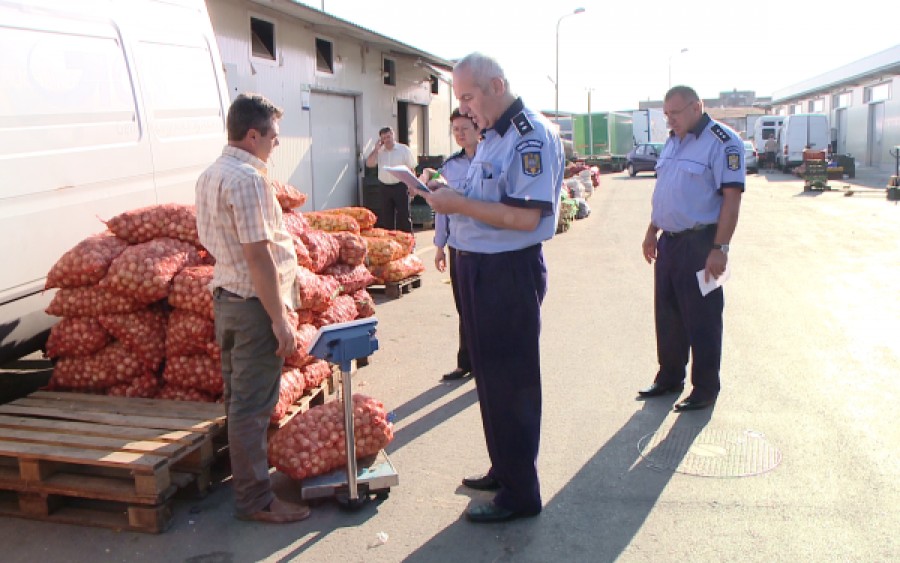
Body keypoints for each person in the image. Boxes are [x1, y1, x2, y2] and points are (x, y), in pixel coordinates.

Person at [418, 52, 564, 523]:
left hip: (508, 271)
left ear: (496, 86)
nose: (463, 108)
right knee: (490, 377)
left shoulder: (529, 137)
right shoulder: (494, 137)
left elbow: (524, 217)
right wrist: (448, 199)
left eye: (468, 97)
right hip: (477, 267)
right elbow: (485, 200)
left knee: (513, 381)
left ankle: (522, 493)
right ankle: (505, 468)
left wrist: (457, 203)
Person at [195, 93, 310, 523]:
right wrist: (280, 318)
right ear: (253, 135)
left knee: (238, 400)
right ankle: (256, 501)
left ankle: (246, 483)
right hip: (252, 305)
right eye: (274, 137)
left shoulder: (211, 174)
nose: (276, 145)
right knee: (251, 406)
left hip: (227, 298)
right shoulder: (248, 180)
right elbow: (258, 256)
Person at [638, 85, 744, 413]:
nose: (670, 120)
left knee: (704, 318)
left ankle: (705, 387)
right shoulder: (673, 141)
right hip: (669, 243)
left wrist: (720, 248)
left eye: (676, 113)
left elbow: (732, 198)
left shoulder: (724, 142)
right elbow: (666, 192)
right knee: (668, 315)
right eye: (666, 114)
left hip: (703, 243)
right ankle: (670, 377)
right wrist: (652, 231)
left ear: (696, 107)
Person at [433, 109, 479, 382]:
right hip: (459, 248)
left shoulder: (492, 160)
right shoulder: (450, 167)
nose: (460, 134)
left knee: (486, 309)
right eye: (456, 130)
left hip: (487, 248)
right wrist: (439, 246)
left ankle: (488, 365)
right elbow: (442, 210)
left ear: (478, 127)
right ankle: (466, 363)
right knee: (464, 308)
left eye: (465, 128)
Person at [366, 126, 417, 232]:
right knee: (387, 219)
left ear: (393, 136)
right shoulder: (379, 152)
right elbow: (369, 164)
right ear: (381, 140)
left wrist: (413, 186)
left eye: (389, 136)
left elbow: (411, 168)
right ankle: (390, 244)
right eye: (384, 138)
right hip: (385, 187)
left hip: (400, 186)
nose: (387, 140)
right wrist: (376, 150)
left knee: (404, 217)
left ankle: (409, 244)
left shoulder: (403, 149)